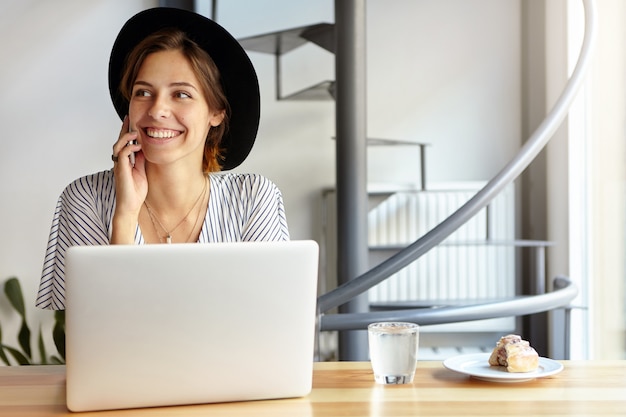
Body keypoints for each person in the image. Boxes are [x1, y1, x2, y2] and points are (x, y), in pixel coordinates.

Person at [36, 8, 289, 310]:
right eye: (143, 92)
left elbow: (270, 322)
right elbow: (91, 338)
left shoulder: (254, 200)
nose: (157, 110)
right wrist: (125, 217)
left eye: (181, 95)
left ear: (216, 112)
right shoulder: (85, 199)